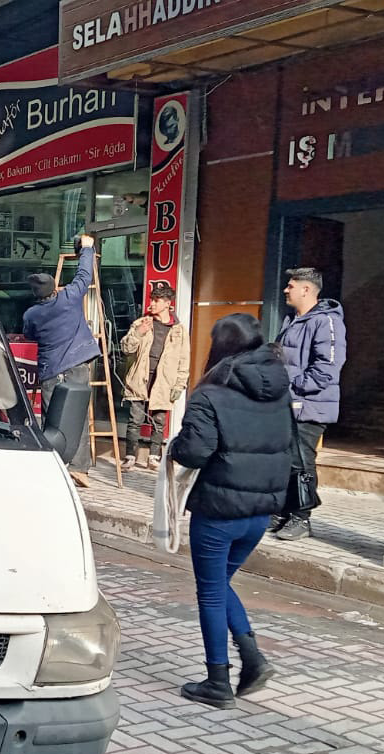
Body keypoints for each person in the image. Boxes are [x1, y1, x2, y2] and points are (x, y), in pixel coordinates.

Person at [168, 314, 293, 709]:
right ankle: (252, 659)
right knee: (220, 582)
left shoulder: (210, 394)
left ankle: (218, 680)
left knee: (210, 589)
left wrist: (173, 445)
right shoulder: (279, 390)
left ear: (219, 347)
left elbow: (194, 452)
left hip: (219, 510)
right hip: (261, 511)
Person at [271, 267, 347, 541]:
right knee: (283, 460)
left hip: (310, 406)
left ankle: (301, 517)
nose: (285, 289)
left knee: (301, 462)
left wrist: (293, 388)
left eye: (291, 285)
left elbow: (327, 369)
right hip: (287, 404)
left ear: (306, 289)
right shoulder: (292, 320)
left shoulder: (326, 321)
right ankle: (282, 511)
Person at [22, 234, 98, 487]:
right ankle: (79, 468)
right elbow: (84, 275)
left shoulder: (32, 314)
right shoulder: (69, 298)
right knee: (78, 416)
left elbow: (29, 335)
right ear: (55, 288)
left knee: (52, 418)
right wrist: (87, 249)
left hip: (51, 369)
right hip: (77, 364)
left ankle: (53, 461)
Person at [118, 284, 190, 470]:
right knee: (135, 419)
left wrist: (179, 384)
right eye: (152, 299)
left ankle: (154, 457)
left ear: (167, 303)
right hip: (140, 378)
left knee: (159, 420)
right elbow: (126, 349)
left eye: (156, 301)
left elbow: (184, 359)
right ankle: (130, 456)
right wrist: (138, 333)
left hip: (163, 381)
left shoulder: (179, 330)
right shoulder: (142, 323)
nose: (152, 304)